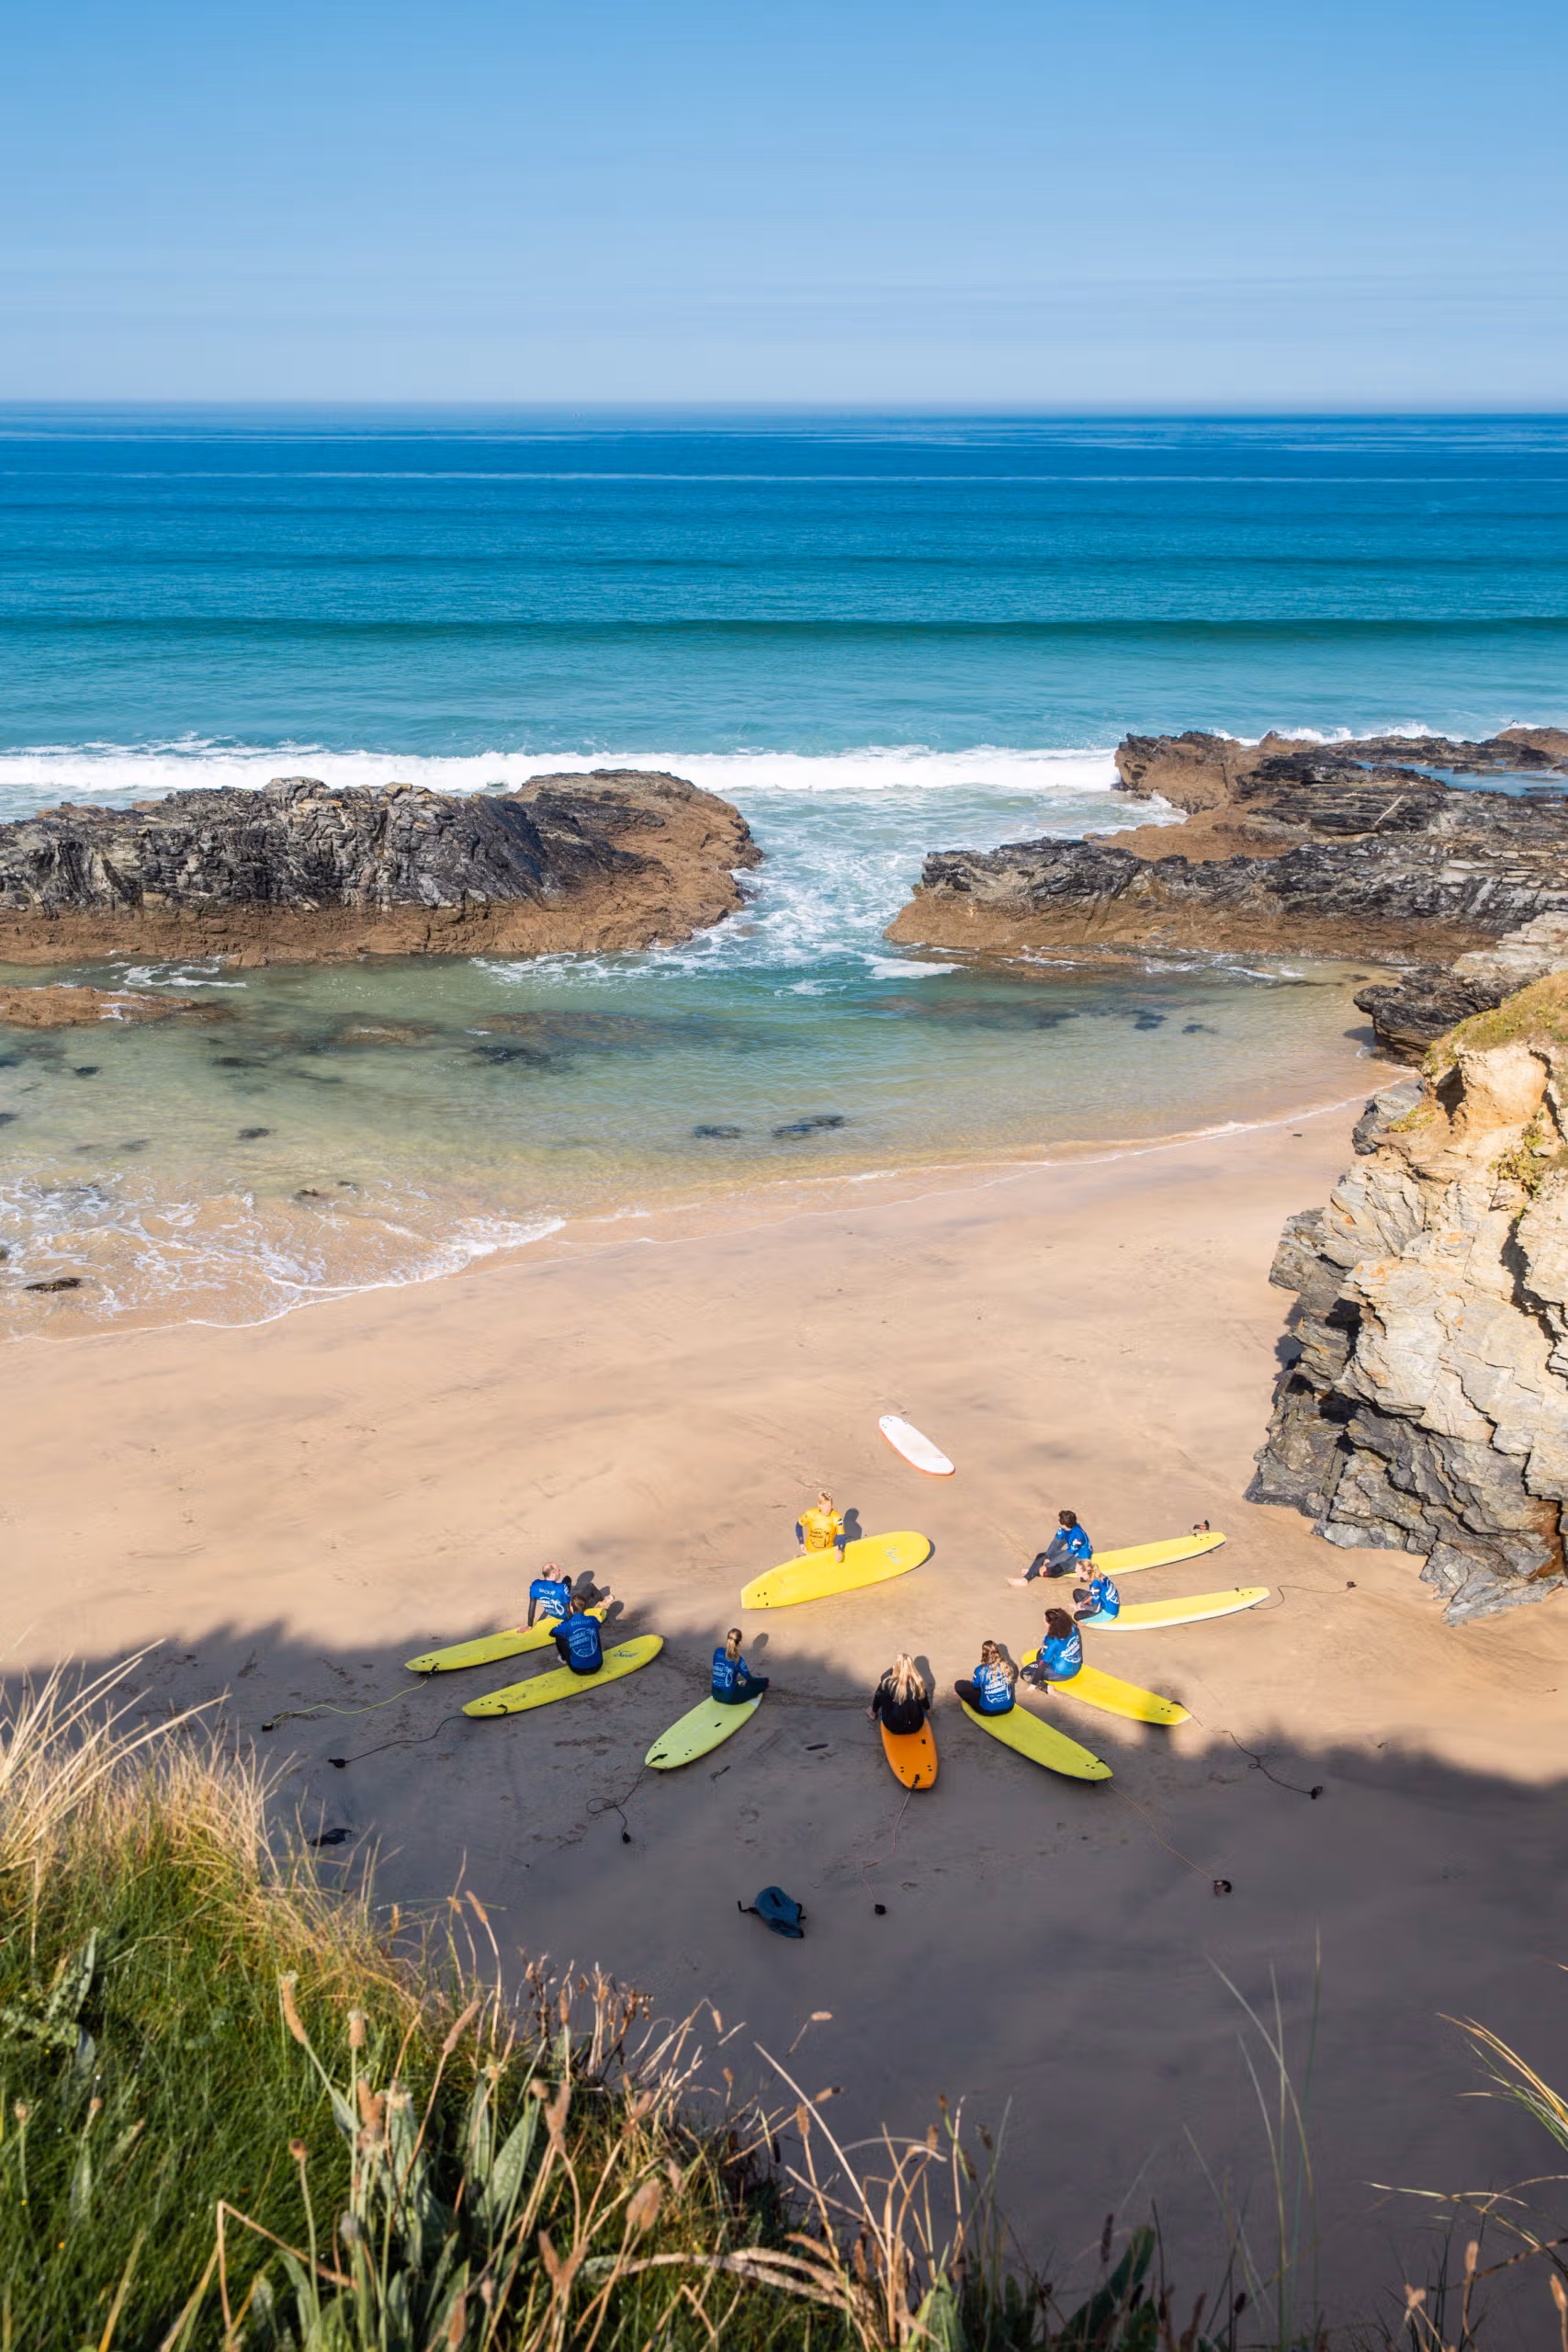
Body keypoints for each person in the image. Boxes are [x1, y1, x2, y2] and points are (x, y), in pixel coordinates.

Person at [1008, 1509, 1093, 1586]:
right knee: (1041, 1556)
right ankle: (1026, 1578)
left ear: (1064, 1524)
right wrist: (1048, 1558)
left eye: (1059, 1520)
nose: (1058, 1521)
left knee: (1054, 1570)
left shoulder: (1078, 1536)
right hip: (1070, 1554)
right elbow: (1056, 1543)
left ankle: (1033, 1572)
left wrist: (1047, 1565)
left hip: (1080, 1560)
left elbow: (1067, 1555)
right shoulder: (1063, 1528)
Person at [1020, 1606, 1084, 1690]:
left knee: (1025, 1673)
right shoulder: (1072, 1626)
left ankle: (1048, 1689)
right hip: (1077, 1667)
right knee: (1040, 1653)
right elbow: (1079, 1639)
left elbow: (1043, 1665)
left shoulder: (1051, 1640)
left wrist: (1033, 1684)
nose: (1044, 1622)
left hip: (1061, 1674)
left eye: (1045, 1621)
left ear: (1051, 1625)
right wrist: (1081, 1660)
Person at [867, 1653, 931, 1736]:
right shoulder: (919, 1682)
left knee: (883, 1693)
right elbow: (926, 1703)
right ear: (912, 1666)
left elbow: (877, 1697)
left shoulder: (887, 1683)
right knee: (918, 1699)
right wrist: (928, 1712)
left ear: (896, 1666)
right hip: (916, 1726)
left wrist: (874, 1711)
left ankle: (872, 1714)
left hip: (893, 1727)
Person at [954, 1639, 1017, 1716]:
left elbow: (975, 1686)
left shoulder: (980, 1670)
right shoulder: (1006, 1666)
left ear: (984, 1653)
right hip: (1009, 1708)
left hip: (987, 1711)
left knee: (959, 1684)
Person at [712, 1628, 770, 1705]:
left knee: (743, 1684)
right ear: (740, 1643)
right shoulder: (738, 1659)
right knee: (756, 1688)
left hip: (715, 1694)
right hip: (730, 1697)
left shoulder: (717, 1651)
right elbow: (749, 1679)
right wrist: (766, 1680)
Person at [552, 1593, 605, 1676]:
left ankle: (563, 1659)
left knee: (559, 1637)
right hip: (598, 1665)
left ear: (571, 1608)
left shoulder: (566, 1624)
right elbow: (599, 1626)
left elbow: (552, 1633)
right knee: (594, 1629)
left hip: (578, 1669)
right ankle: (594, 1655)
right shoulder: (592, 1618)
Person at [796, 1492, 847, 1560]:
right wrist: (801, 1543)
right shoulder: (810, 1514)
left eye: (829, 1506)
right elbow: (798, 1525)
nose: (827, 1509)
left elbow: (841, 1536)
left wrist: (840, 1551)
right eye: (824, 1506)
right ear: (819, 1504)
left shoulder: (836, 1518)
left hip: (827, 1554)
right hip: (809, 1553)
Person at [525, 1563, 575, 1629]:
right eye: (558, 1570)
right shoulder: (562, 1587)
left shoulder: (535, 1584)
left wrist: (529, 1625)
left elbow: (532, 1606)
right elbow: (568, 1611)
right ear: (552, 1575)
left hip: (551, 1613)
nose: (560, 1571)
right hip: (564, 1616)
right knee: (568, 1580)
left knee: (565, 1583)